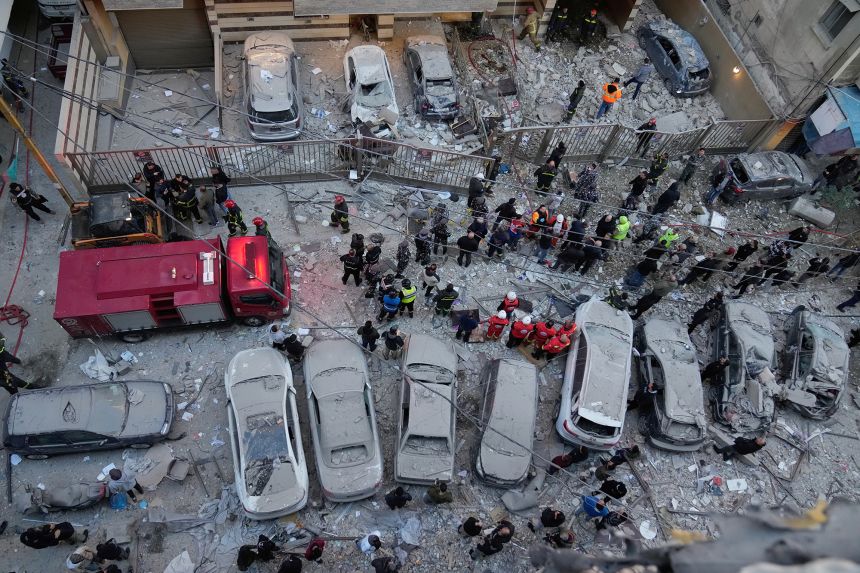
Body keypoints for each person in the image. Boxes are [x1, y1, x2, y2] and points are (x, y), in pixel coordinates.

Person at [21, 522, 86, 549]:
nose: (36, 528)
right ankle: (83, 538)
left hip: (52, 534)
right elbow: (52, 543)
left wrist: (49, 526)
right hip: (54, 537)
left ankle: (70, 541)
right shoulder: (40, 542)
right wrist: (56, 537)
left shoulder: (31, 539)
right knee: (69, 531)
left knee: (63, 535)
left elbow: (42, 529)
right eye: (35, 530)